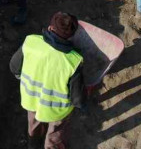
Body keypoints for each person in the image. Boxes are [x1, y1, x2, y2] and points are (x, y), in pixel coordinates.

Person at [10, 12, 85, 149]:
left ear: (50, 28)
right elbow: (77, 99)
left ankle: (33, 144)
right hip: (57, 112)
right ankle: (51, 146)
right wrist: (82, 105)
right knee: (55, 132)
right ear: (72, 36)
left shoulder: (31, 42)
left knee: (34, 125)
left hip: (31, 100)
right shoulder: (73, 61)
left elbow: (14, 67)